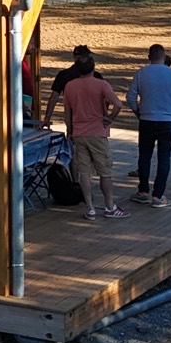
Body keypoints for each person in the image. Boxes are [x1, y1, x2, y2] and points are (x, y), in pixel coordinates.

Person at [58, 54, 128, 220]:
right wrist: (109, 118)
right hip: (97, 132)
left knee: (84, 172)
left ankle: (90, 208)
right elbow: (118, 104)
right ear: (93, 68)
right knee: (105, 171)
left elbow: (67, 113)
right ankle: (109, 205)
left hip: (79, 132)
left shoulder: (69, 86)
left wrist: (70, 130)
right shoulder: (101, 85)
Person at [125, 43, 171, 207]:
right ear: (165, 56)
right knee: (164, 158)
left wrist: (138, 113)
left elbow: (131, 97)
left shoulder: (141, 73)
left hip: (147, 119)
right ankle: (158, 195)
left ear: (149, 57)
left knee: (144, 156)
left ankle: (143, 191)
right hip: (168, 120)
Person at [39, 45, 93, 126]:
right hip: (92, 118)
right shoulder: (95, 76)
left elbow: (54, 97)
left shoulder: (63, 75)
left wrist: (47, 118)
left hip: (72, 118)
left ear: (74, 57)